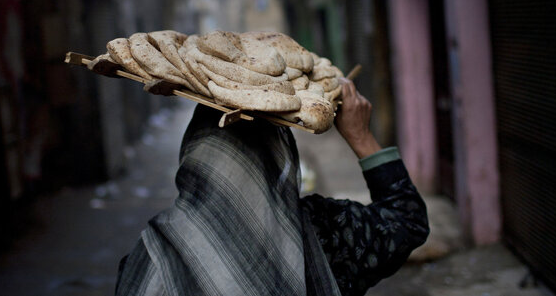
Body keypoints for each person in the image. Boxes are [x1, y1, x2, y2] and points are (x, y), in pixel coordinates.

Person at [115, 78, 429, 296]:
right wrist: (361, 137)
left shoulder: (153, 254)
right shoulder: (322, 232)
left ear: (194, 156)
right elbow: (406, 221)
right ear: (280, 156)